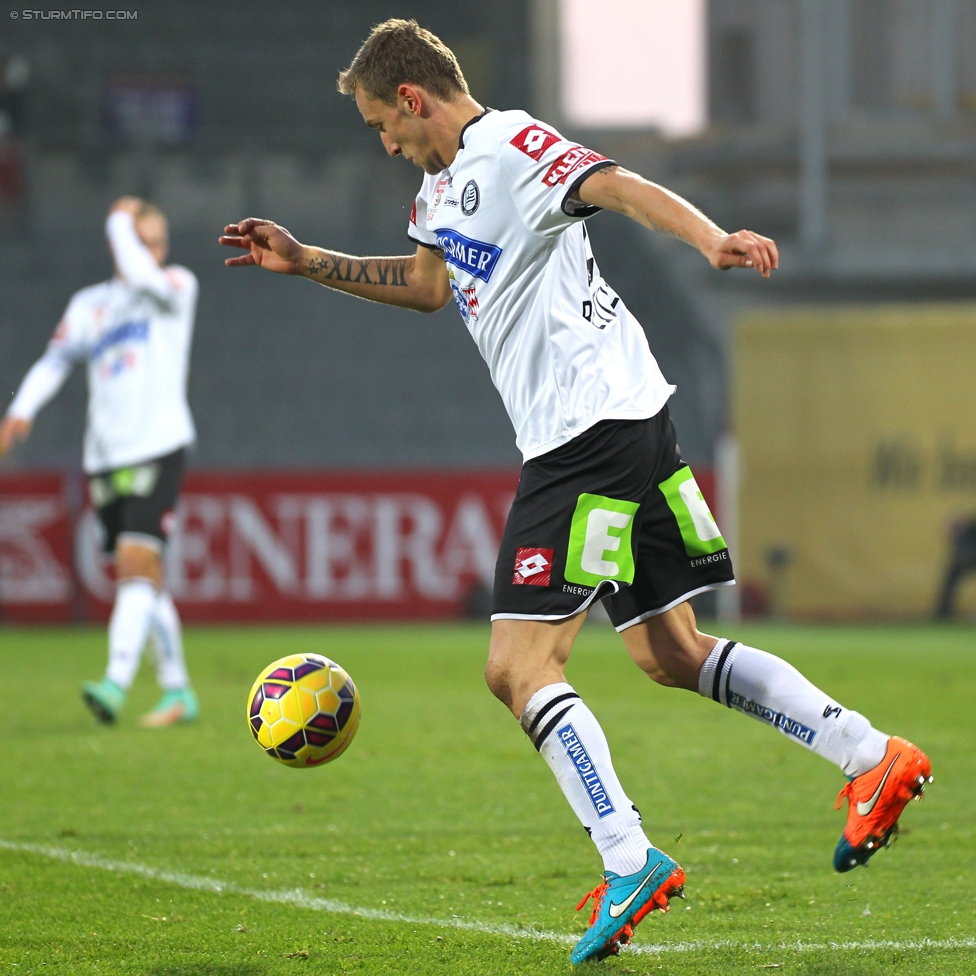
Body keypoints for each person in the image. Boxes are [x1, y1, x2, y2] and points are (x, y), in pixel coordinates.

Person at [218, 19, 931, 964]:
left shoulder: (511, 145)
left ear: (414, 98)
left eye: (380, 124)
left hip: (586, 435)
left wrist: (712, 239)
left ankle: (627, 857)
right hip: (621, 420)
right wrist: (308, 260)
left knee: (518, 667)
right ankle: (871, 756)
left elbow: (617, 186)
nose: (381, 142)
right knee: (670, 651)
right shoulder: (437, 192)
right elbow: (432, 286)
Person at [1, 197, 200, 729]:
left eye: (157, 242)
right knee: (144, 576)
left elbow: (138, 270)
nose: (152, 252)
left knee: (136, 568)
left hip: (158, 445)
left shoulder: (174, 288)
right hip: (105, 457)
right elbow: (56, 358)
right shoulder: (90, 304)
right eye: (144, 241)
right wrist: (20, 411)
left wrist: (116, 218)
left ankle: (114, 683)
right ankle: (179, 692)